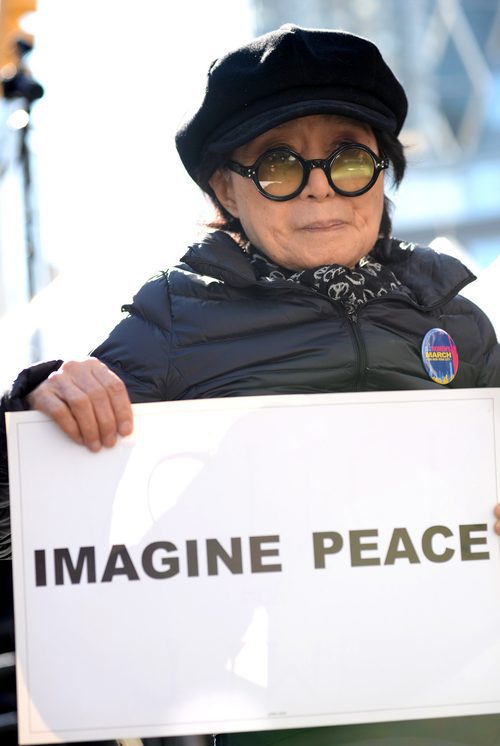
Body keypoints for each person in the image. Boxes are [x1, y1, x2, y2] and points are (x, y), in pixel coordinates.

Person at [2, 22, 500, 746]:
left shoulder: (457, 321)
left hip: (463, 712)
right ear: (226, 191)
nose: (320, 184)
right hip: (266, 723)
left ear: (382, 172)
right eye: (278, 164)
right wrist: (38, 408)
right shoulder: (170, 323)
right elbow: (36, 531)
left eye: (348, 158)